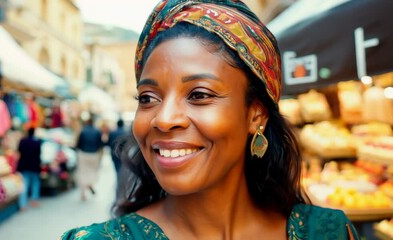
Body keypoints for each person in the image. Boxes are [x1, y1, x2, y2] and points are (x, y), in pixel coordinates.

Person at [61, 0, 359, 239]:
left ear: (256, 114)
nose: (163, 120)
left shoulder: (327, 232)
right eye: (147, 98)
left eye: (199, 95)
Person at [75, 117, 103, 201]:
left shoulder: (83, 131)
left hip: (83, 153)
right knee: (92, 171)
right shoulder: (97, 131)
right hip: (94, 154)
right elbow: (100, 144)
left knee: (83, 172)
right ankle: (90, 184)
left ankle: (83, 193)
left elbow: (78, 143)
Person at [16, 127, 42, 211]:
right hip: (34, 166)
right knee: (35, 183)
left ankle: (22, 204)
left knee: (24, 185)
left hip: (24, 166)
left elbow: (19, 151)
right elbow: (39, 153)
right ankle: (34, 200)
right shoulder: (37, 142)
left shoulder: (23, 141)